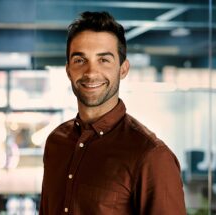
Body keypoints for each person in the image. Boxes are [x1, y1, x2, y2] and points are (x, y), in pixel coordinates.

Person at [39, 11, 186, 215]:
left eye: (104, 60)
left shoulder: (151, 155)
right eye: (80, 60)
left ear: (123, 69)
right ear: (68, 70)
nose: (91, 72)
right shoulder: (56, 142)